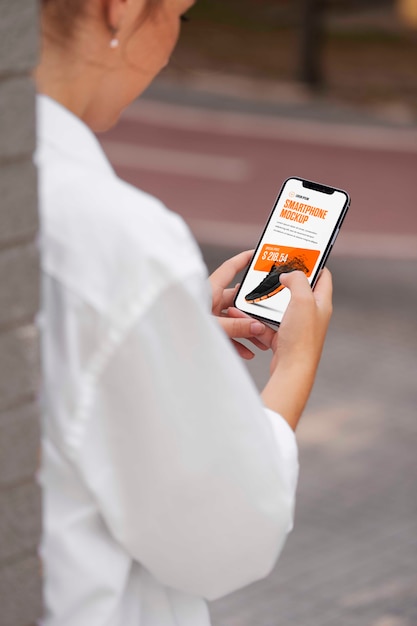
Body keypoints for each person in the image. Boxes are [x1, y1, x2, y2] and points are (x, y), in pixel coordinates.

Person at [35, 1, 333, 625]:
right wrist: (295, 367)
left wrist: (165, 331)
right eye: (181, 17)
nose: (172, 45)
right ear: (120, 10)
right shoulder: (120, 241)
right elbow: (226, 541)